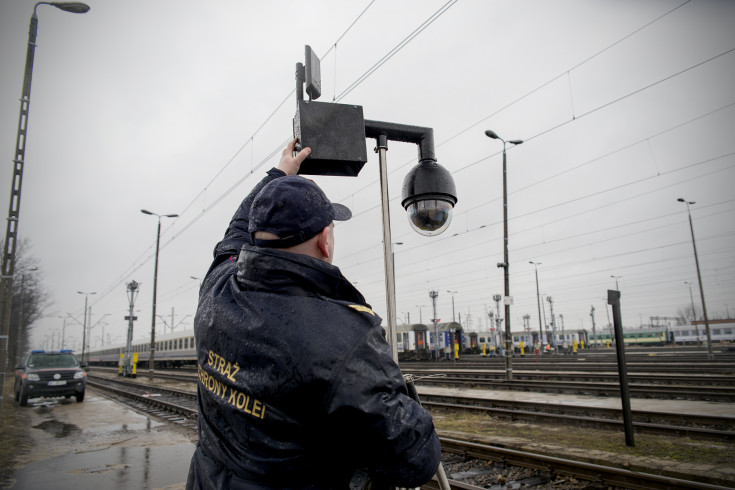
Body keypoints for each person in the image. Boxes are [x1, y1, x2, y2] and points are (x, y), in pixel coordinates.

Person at [186, 139, 441, 489]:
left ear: (256, 238)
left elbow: (236, 230)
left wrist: (278, 175)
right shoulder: (344, 338)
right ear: (325, 240)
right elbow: (416, 459)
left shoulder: (217, 287)